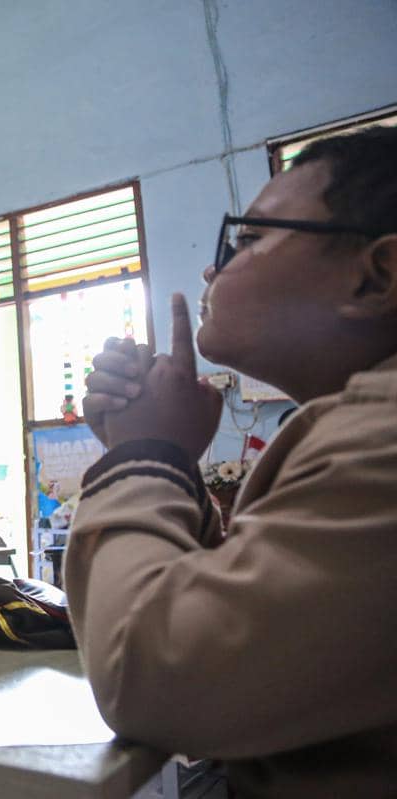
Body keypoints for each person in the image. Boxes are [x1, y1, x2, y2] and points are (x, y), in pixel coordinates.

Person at [65, 125, 397, 796]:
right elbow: (256, 625)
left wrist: (144, 456)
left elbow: (153, 676)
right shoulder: (353, 429)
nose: (212, 270)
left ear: (377, 275)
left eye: (248, 240)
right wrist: (168, 454)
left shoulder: (381, 448)